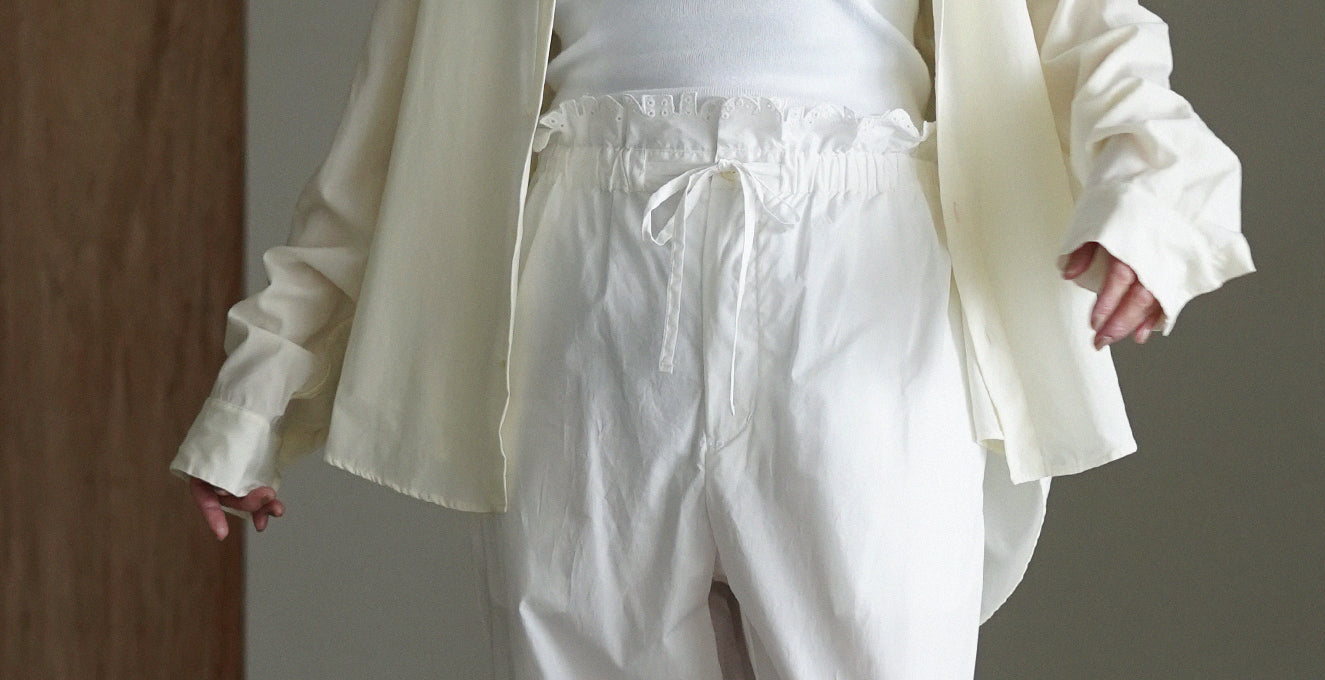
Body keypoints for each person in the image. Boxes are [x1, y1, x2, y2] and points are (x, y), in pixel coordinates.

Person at [173, 0, 1254, 677]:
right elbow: (391, 137)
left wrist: (1153, 197)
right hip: (589, 288)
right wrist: (259, 393)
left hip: (859, 283)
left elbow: (1091, 33)